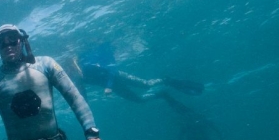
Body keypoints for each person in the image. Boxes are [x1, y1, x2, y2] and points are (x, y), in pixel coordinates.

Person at [65, 44, 204, 103]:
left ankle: (165, 80)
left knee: (146, 84)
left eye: (69, 68)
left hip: (116, 76)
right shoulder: (76, 77)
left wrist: (108, 86)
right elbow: (81, 91)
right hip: (114, 86)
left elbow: (110, 70)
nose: (69, 72)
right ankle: (160, 94)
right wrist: (83, 103)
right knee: (138, 100)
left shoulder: (87, 66)